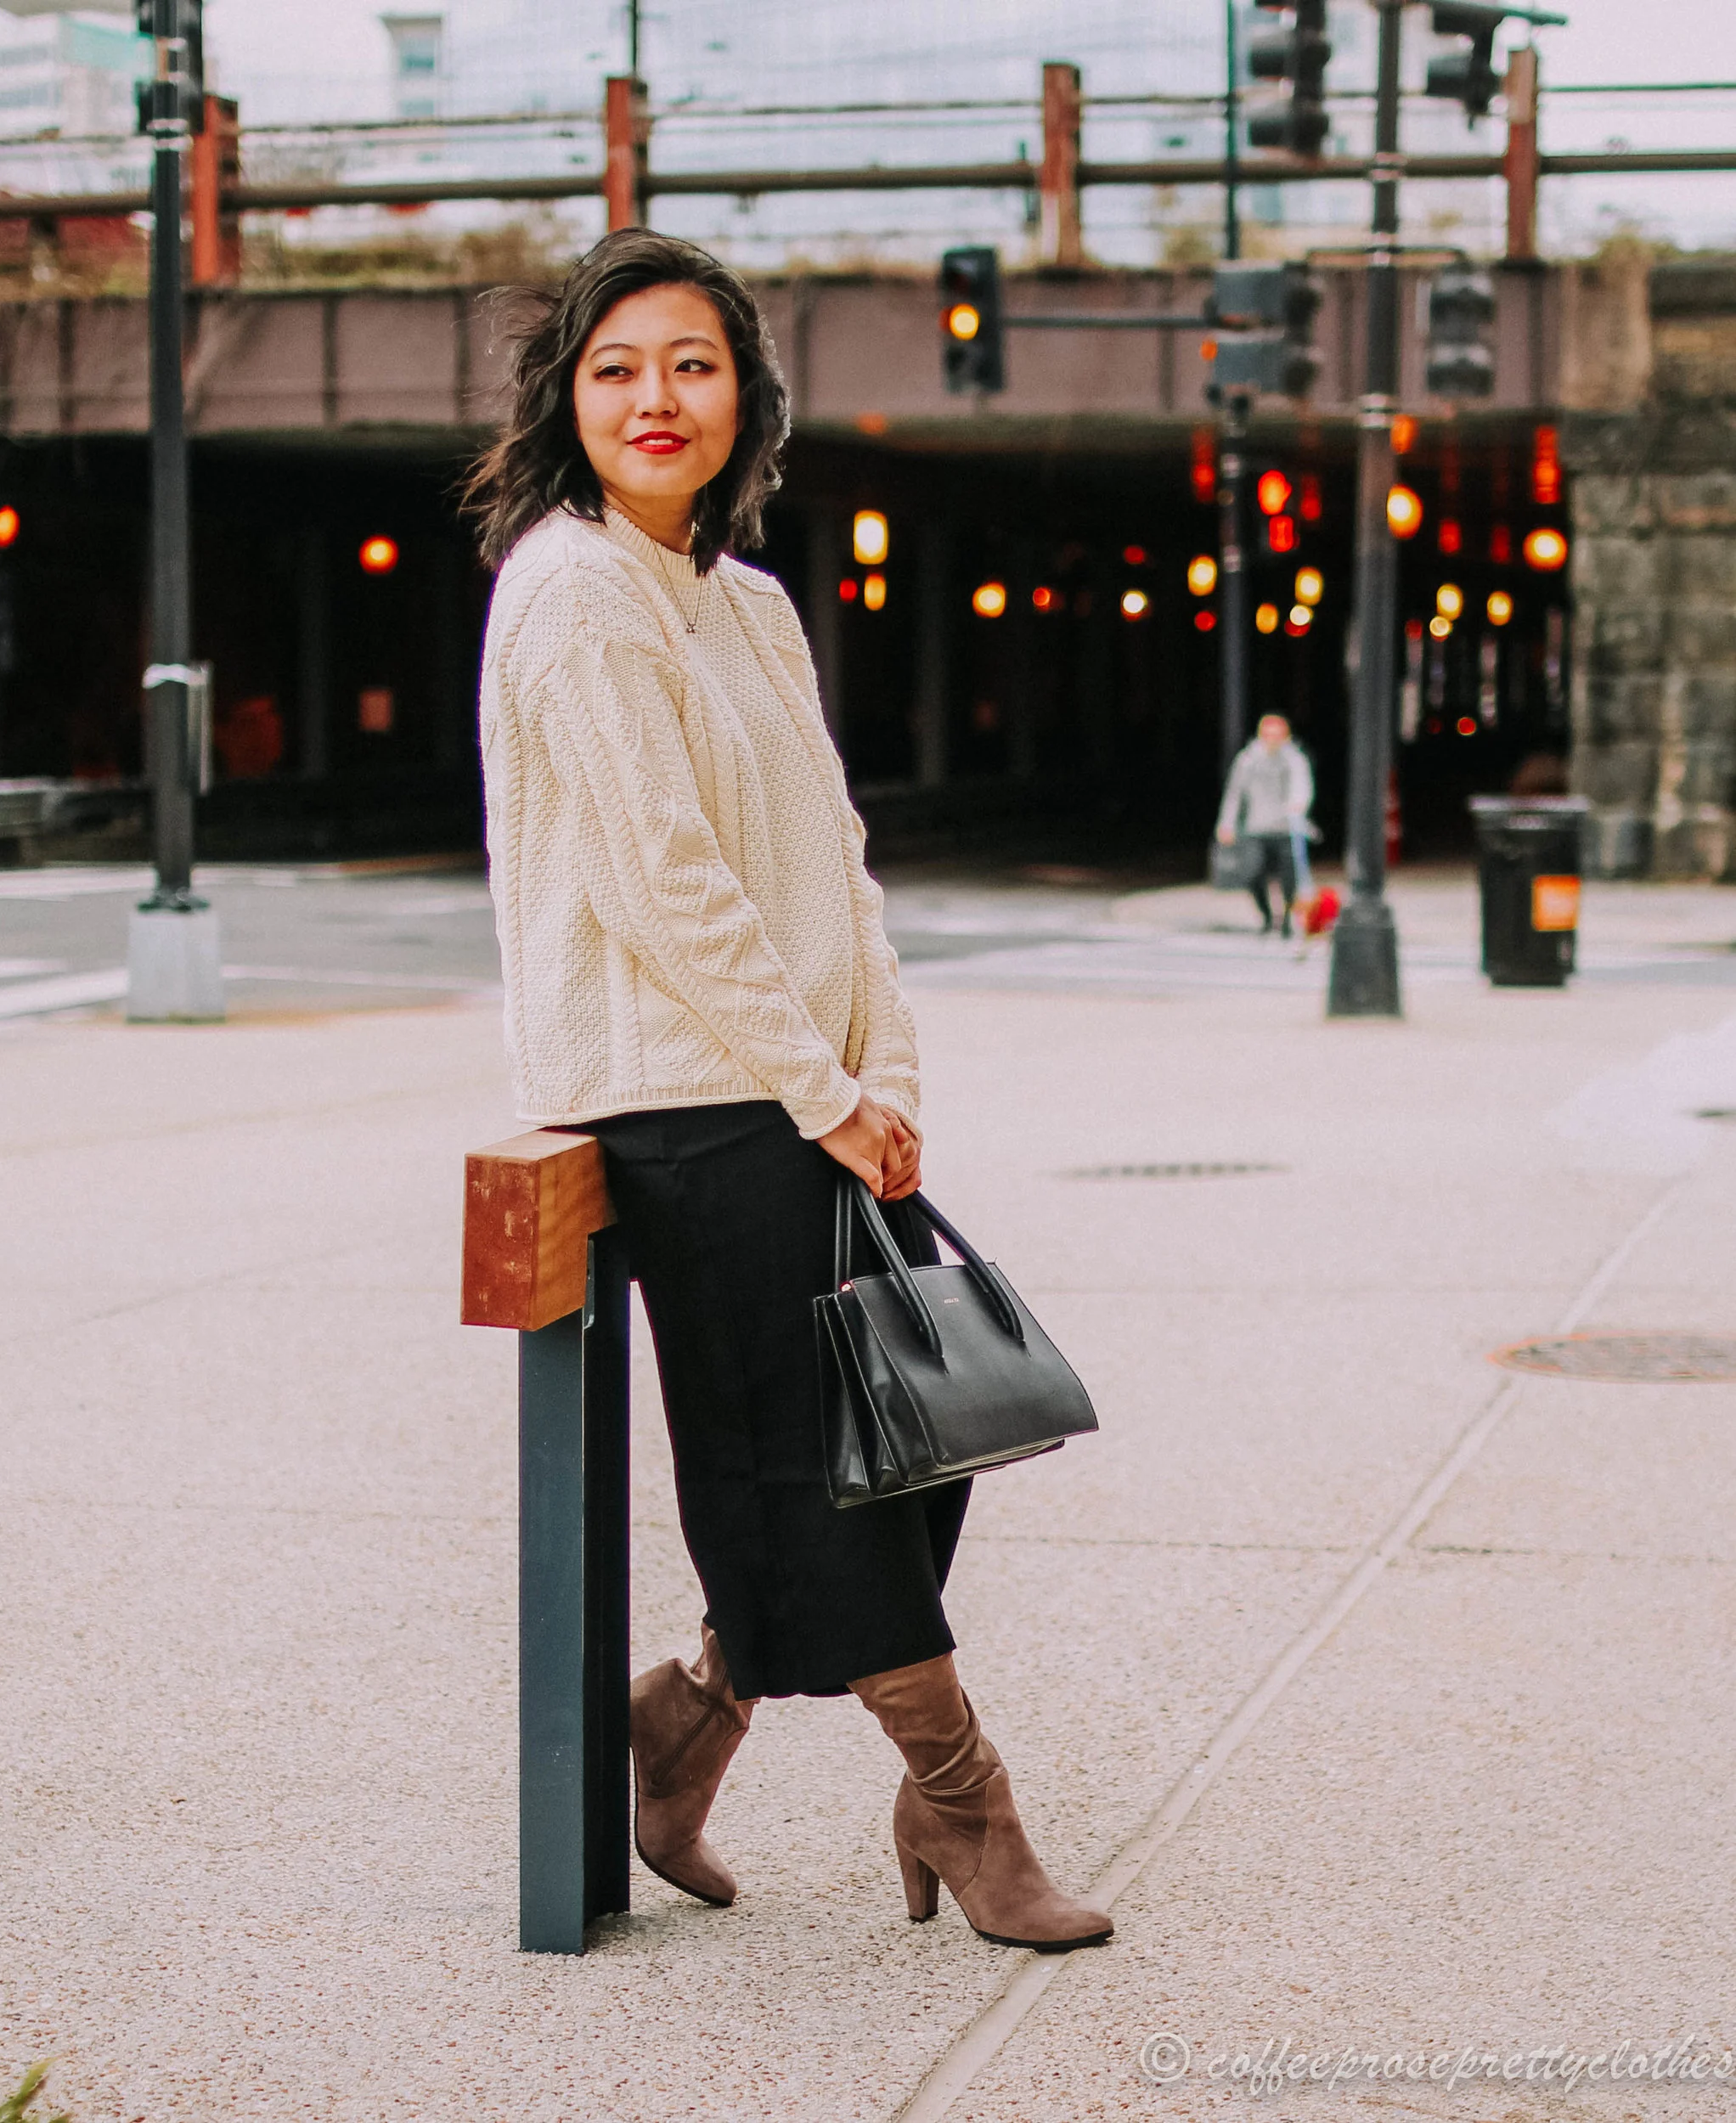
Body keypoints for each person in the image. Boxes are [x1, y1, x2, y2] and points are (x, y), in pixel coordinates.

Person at [468, 228, 1111, 1953]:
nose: (651, 398)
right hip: (684, 1099)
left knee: (925, 1425)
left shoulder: (742, 602)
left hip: (801, 1091)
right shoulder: (570, 587)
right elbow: (658, 881)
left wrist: (876, 1073)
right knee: (813, 1463)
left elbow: (831, 866)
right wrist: (812, 1085)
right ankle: (962, 1807)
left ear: (742, 390)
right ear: (568, 400)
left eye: (687, 362)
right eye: (612, 367)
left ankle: (678, 1727)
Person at [1215, 713, 1315, 936]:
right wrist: (1227, 823)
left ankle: (1288, 917)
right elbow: (1235, 794)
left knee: (1289, 879)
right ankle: (1268, 916)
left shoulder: (1294, 759)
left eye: (1277, 735)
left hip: (1285, 828)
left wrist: (1298, 805)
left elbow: (1302, 786)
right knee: (1252, 873)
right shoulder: (1248, 760)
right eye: (1268, 734)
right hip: (1256, 827)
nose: (1272, 739)